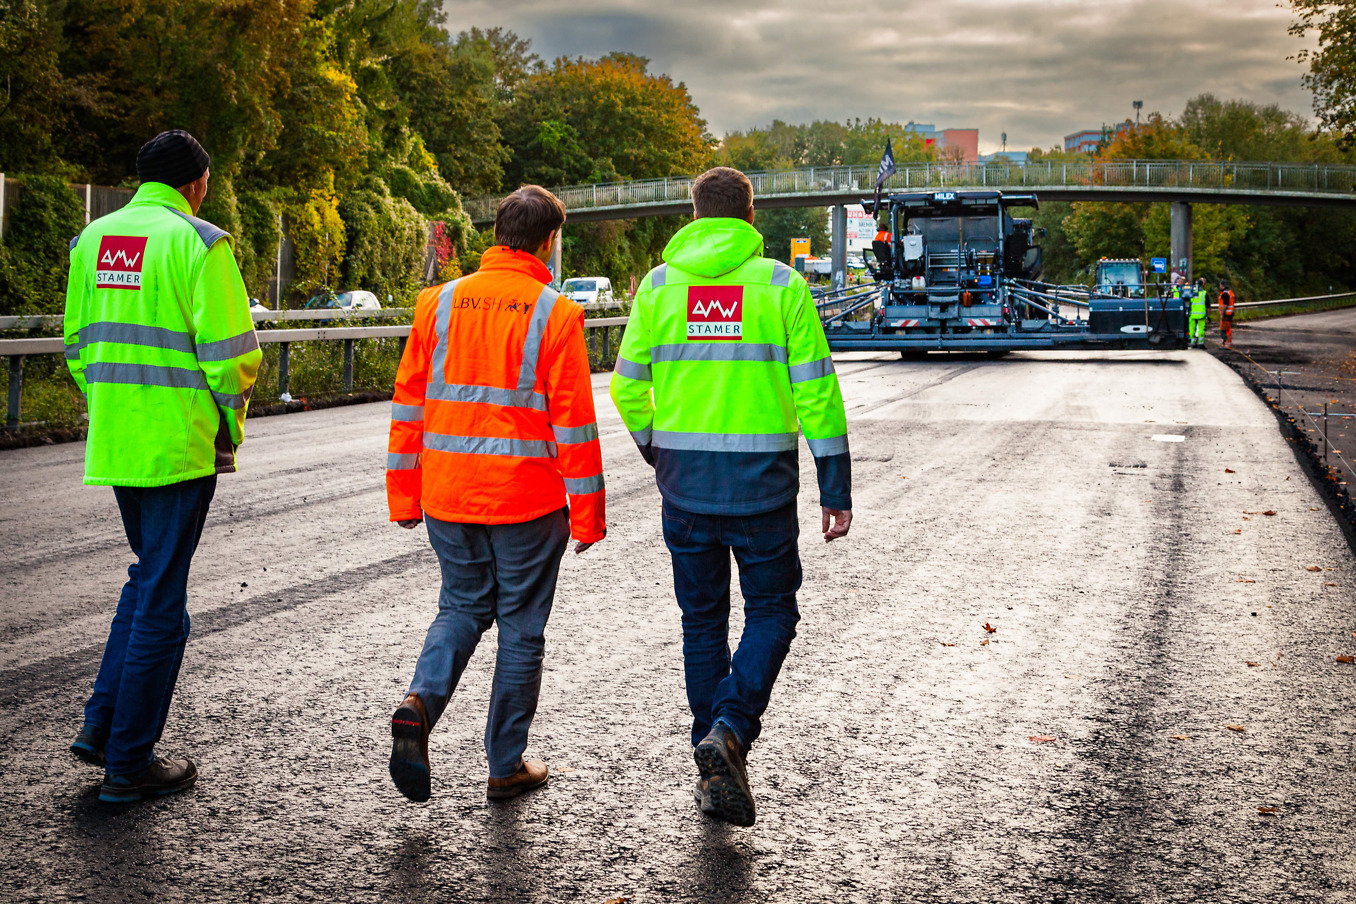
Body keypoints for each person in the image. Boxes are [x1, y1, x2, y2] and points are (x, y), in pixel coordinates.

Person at [610, 166, 852, 827]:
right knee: (773, 611)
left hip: (685, 489)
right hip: (763, 491)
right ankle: (732, 732)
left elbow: (627, 387)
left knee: (701, 622)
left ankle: (709, 752)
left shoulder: (659, 288)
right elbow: (817, 392)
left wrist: (659, 451)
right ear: (751, 215)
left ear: (692, 213)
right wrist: (835, 484)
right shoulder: (780, 286)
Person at [386, 185, 605, 803]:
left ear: (497, 232)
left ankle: (419, 704)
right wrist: (587, 514)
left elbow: (409, 407)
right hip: (527, 504)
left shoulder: (437, 303)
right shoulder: (555, 313)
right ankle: (505, 764)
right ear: (549, 240)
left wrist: (404, 496)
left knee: (459, 608)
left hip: (448, 496)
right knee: (521, 630)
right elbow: (574, 425)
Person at [64, 130, 262, 803]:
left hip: (118, 443)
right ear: (195, 181)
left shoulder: (92, 241)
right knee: (163, 604)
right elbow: (232, 356)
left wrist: (114, 409)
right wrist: (227, 424)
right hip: (179, 446)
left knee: (148, 579)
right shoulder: (200, 242)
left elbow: (75, 347)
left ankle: (100, 727)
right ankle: (129, 762)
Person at [1189, 276, 1209, 348]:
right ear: (1202, 284)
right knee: (1201, 329)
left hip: (1192, 314)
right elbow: (1208, 305)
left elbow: (1189, 303)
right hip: (1201, 314)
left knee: (1192, 329)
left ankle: (1193, 342)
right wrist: (1208, 314)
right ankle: (1200, 343)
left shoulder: (1191, 292)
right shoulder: (1204, 293)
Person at [1218, 281, 1236, 348]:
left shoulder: (1225, 294)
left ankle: (1227, 344)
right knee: (1227, 329)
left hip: (1226, 314)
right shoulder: (1229, 292)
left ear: (1222, 285)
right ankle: (1227, 343)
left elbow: (1225, 304)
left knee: (1225, 329)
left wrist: (1222, 313)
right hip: (1229, 314)